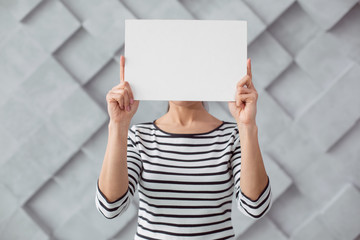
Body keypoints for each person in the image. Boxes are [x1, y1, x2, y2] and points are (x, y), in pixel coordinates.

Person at [95, 55, 272, 239]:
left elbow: (256, 207)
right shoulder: (140, 137)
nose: (183, 77)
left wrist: (247, 126)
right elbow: (110, 208)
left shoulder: (232, 137)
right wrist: (118, 125)